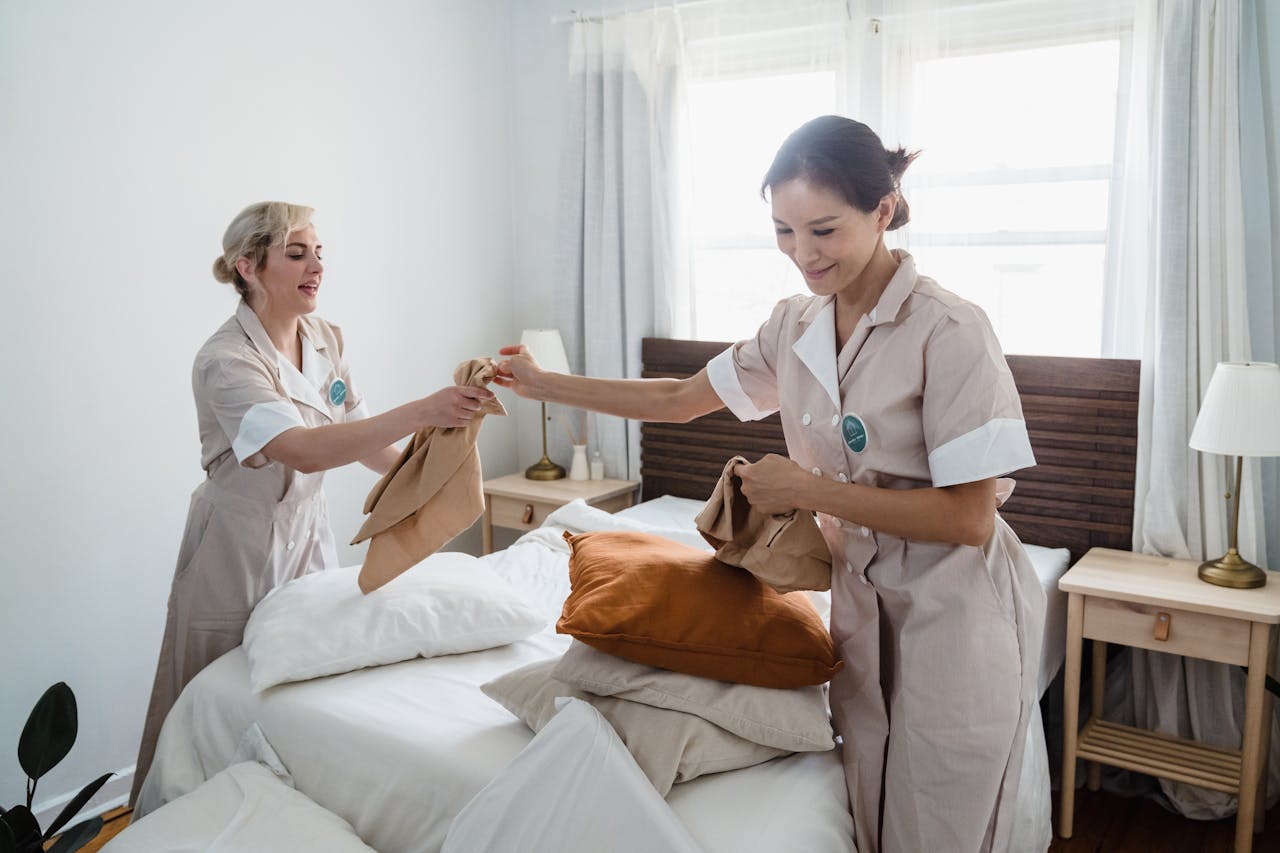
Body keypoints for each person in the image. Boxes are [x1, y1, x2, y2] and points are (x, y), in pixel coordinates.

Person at [495, 116, 1044, 853]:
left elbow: (972, 517)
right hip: (859, 602)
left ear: (882, 212)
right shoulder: (794, 327)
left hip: (957, 610)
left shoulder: (949, 331)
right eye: (784, 231)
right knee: (871, 811)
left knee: (942, 824)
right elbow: (677, 399)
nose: (803, 255)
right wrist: (541, 383)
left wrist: (808, 492)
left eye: (823, 230)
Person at [130, 201, 495, 805]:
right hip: (234, 544)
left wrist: (436, 464)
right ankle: (181, 819)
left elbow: (361, 435)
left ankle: (283, 817)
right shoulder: (226, 361)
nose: (316, 266)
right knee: (207, 697)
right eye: (296, 254)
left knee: (299, 690)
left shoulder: (325, 338)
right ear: (248, 267)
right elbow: (301, 449)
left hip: (307, 533)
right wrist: (425, 409)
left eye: (319, 252)